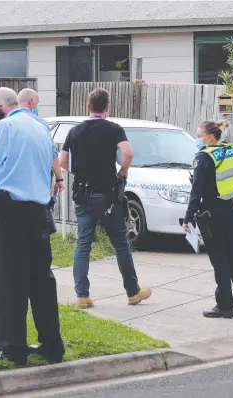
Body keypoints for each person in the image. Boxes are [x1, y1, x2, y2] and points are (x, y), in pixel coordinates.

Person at [0, 87, 64, 365]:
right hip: (39, 212)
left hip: (12, 212)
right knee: (41, 281)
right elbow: (30, 168)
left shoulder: (5, 128)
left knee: (13, 281)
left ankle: (14, 347)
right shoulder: (41, 127)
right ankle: (52, 344)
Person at [58, 88, 151, 309]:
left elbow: (62, 161)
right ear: (107, 108)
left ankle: (82, 295)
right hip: (109, 197)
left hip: (83, 195)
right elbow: (127, 153)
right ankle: (132, 292)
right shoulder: (114, 129)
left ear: (88, 107)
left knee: (83, 245)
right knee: (121, 244)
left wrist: (78, 173)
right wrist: (124, 171)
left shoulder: (75, 131)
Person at [183, 120, 233, 318]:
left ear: (209, 137)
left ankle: (225, 306)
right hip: (232, 212)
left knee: (219, 261)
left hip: (212, 215)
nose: (197, 139)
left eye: (199, 135)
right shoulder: (231, 151)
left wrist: (188, 218)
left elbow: (196, 191)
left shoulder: (204, 157)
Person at [0, 88, 65, 194]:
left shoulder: (4, 127)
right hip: (39, 201)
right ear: (32, 101)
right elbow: (24, 171)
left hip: (12, 204)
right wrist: (59, 179)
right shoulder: (42, 126)